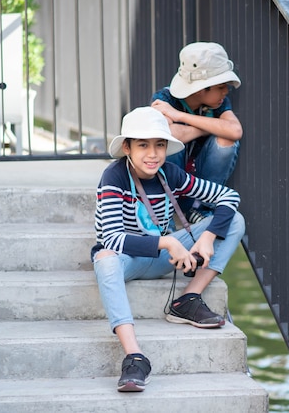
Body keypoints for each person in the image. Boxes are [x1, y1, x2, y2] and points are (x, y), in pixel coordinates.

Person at [91, 106, 245, 392]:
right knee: (104, 257)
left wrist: (209, 235)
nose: (153, 154)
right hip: (129, 259)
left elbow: (228, 196)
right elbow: (111, 237)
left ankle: (188, 299)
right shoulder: (113, 178)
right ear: (127, 147)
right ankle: (134, 356)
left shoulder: (170, 173)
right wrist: (169, 241)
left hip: (163, 257)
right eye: (143, 145)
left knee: (234, 220)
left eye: (159, 145)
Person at [151, 41, 242, 223]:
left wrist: (180, 117)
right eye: (220, 86)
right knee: (170, 144)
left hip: (200, 182)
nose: (226, 90)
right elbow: (169, 134)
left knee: (226, 141)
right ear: (201, 89)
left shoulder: (218, 103)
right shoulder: (165, 99)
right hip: (170, 183)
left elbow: (234, 130)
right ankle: (166, 212)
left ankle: (203, 208)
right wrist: (209, 126)